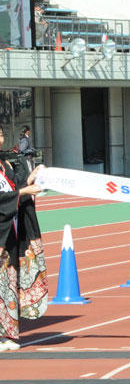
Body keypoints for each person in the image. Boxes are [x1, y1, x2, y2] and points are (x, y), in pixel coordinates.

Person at [0, 124, 45, 351]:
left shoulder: (4, 164)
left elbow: (13, 191)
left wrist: (31, 179)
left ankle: (7, 334)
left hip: (9, 234)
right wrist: (23, 192)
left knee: (8, 284)